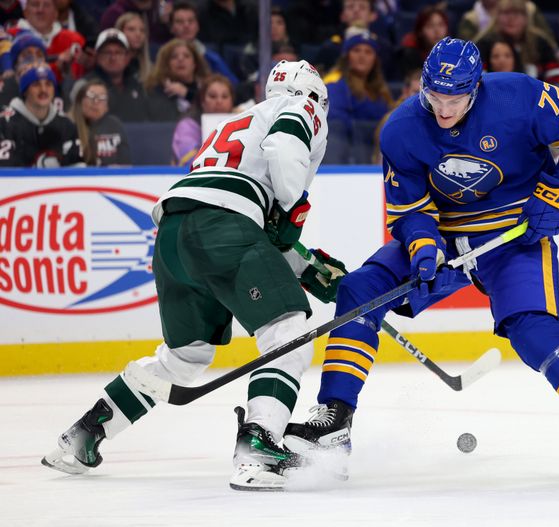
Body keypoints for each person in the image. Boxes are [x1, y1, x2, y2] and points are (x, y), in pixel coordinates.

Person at [284, 37, 559, 488]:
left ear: (477, 88)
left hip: (515, 237)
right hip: (446, 237)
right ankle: (335, 424)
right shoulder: (401, 128)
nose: (444, 111)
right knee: (359, 290)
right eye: (435, 98)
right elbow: (409, 211)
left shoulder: (520, 97)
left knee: (534, 332)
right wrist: (425, 249)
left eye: (455, 100)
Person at [42, 60, 345, 491]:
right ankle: (259, 445)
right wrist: (294, 202)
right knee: (287, 327)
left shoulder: (242, 120)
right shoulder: (301, 107)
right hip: (221, 227)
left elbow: (250, 221)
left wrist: (307, 264)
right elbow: (280, 159)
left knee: (185, 357)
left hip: (174, 233)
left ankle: (83, 434)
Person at [0, 64, 81, 166]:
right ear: (25, 91)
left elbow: (77, 167)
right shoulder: (5, 123)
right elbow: (5, 172)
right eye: (36, 84)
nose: (43, 90)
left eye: (48, 84)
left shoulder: (66, 125)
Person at [171, 73, 235, 166]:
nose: (219, 101)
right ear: (202, 101)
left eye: (224, 96)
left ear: (232, 102)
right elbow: (190, 162)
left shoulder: (243, 123)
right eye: (213, 96)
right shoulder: (187, 126)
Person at [144, 38, 210, 122]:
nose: (180, 59)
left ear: (194, 63)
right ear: (167, 64)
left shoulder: (206, 88)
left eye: (186, 56)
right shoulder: (156, 89)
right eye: (174, 57)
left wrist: (187, 94)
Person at [70, 78, 131, 165]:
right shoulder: (69, 126)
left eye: (102, 98)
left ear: (107, 106)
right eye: (91, 96)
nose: (96, 101)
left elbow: (126, 165)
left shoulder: (115, 126)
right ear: (80, 100)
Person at [115, 12, 152, 82]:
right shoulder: (110, 65)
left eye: (142, 30)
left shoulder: (150, 69)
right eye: (131, 29)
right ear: (120, 32)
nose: (138, 34)